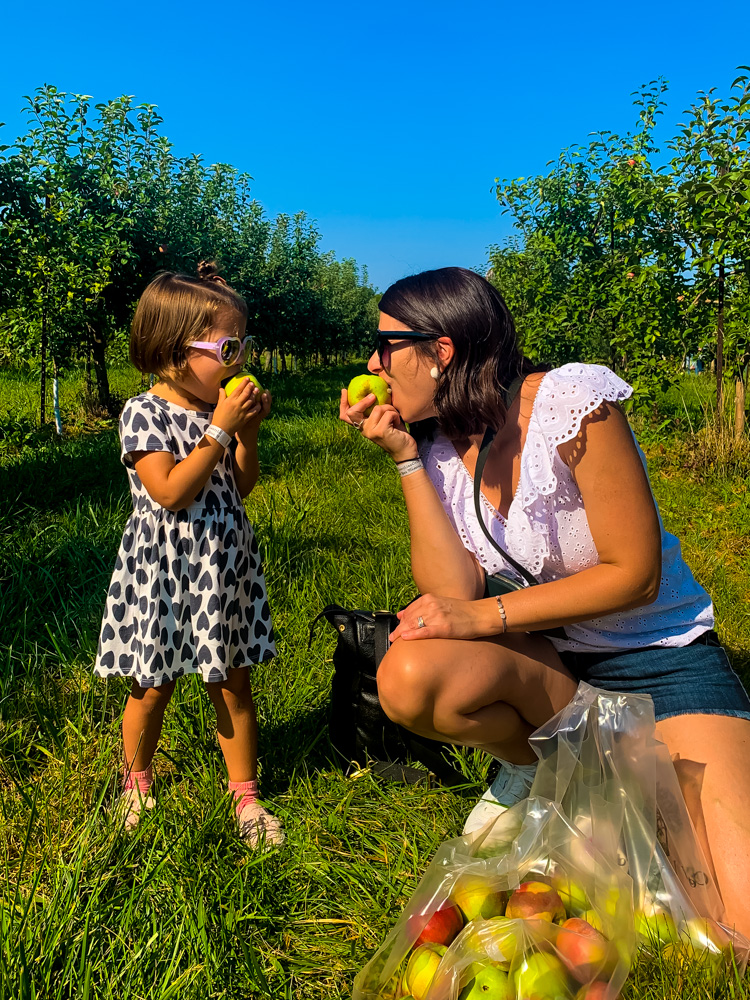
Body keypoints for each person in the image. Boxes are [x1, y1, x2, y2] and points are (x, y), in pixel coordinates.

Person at [339, 266, 750, 937]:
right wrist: (405, 457)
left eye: (385, 346)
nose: (372, 365)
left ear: (440, 350)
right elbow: (452, 593)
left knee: (728, 923)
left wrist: (484, 616)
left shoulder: (568, 401)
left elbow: (635, 575)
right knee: (410, 677)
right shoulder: (440, 444)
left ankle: (592, 783)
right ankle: (540, 769)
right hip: (553, 661)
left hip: (658, 656)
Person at [95, 262, 283, 848]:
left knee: (232, 680)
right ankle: (136, 782)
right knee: (151, 686)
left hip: (221, 568)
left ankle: (245, 796)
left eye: (243, 346)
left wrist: (244, 434)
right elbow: (171, 490)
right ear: (177, 353)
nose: (240, 362)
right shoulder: (142, 413)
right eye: (229, 349)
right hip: (164, 573)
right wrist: (221, 430)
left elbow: (240, 485)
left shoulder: (215, 414)